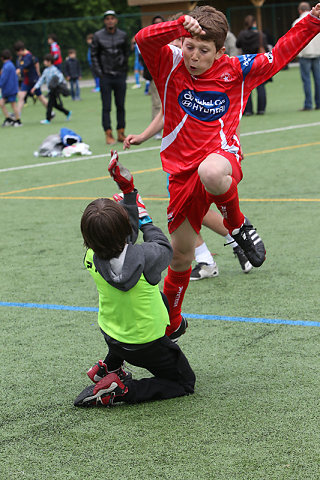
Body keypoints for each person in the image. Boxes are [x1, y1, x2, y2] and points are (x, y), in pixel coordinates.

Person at [135, 5, 320, 336]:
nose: (193, 56)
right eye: (189, 46)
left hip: (222, 158)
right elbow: (142, 38)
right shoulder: (169, 62)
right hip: (180, 175)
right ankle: (171, 320)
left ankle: (238, 225)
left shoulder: (236, 70)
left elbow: (279, 54)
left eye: (203, 50)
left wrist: (313, 21)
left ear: (219, 52)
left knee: (211, 171)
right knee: (179, 258)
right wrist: (177, 25)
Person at [74, 152, 195, 407]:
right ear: (124, 231)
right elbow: (163, 246)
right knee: (184, 383)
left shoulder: (90, 255)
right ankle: (121, 390)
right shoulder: (145, 257)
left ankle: (109, 366)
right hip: (145, 344)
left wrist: (129, 192)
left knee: (156, 300)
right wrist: (144, 218)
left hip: (112, 333)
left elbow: (123, 243)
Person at [123, 109, 253, 278]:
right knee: (185, 211)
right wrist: (142, 136)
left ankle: (234, 234)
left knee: (187, 210)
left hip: (210, 156)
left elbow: (232, 108)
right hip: (181, 157)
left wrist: (235, 144)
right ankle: (221, 247)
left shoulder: (211, 84)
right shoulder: (177, 85)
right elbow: (166, 112)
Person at [91, 10, 130, 145]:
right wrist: (100, 73)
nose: (110, 21)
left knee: (121, 105)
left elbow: (126, 53)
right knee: (106, 107)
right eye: (107, 19)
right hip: (105, 76)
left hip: (120, 75)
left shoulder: (123, 35)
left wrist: (124, 70)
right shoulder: (98, 36)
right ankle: (108, 133)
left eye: (112, 18)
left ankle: (121, 132)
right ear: (104, 21)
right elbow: (94, 55)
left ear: (116, 20)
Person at [236, 15, 269, 116]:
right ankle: (261, 109)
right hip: (258, 62)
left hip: (246, 62)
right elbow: (266, 48)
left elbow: (237, 44)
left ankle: (248, 110)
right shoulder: (260, 35)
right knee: (260, 86)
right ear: (254, 23)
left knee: (246, 87)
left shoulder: (241, 34)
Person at [292, 2, 320, 110]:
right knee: (318, 80)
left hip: (304, 54)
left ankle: (308, 104)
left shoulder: (297, 22)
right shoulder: (318, 19)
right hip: (317, 53)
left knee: (306, 80)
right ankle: (319, 103)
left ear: (299, 11)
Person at [31, 54, 71, 124]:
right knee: (54, 104)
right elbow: (41, 79)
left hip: (55, 90)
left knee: (50, 104)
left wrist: (60, 85)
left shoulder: (54, 69)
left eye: (45, 61)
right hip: (51, 90)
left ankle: (48, 119)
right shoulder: (46, 70)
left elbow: (61, 78)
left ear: (49, 62)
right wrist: (35, 87)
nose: (44, 62)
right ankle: (67, 112)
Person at [14, 41, 48, 117]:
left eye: (17, 52)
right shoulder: (21, 57)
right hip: (26, 81)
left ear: (20, 50)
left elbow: (22, 67)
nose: (17, 54)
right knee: (21, 96)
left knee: (41, 97)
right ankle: (17, 115)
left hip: (33, 80)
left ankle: (50, 112)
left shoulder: (28, 56)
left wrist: (38, 72)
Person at [0, 49, 21, 127]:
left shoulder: (7, 66)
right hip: (10, 89)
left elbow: (3, 78)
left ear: (2, 58)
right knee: (1, 103)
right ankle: (8, 119)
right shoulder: (10, 65)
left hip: (9, 89)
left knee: (13, 105)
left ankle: (18, 121)